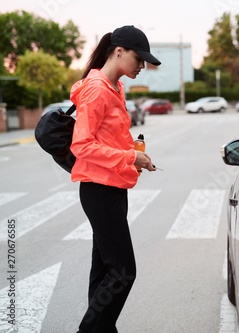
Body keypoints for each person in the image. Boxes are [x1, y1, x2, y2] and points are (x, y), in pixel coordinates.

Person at [70, 25, 160, 333]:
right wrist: (131, 157)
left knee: (105, 271)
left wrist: (135, 154)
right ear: (118, 51)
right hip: (99, 190)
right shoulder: (97, 89)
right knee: (123, 272)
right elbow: (81, 145)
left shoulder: (115, 87)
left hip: (112, 187)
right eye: (139, 59)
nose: (141, 66)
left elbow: (108, 139)